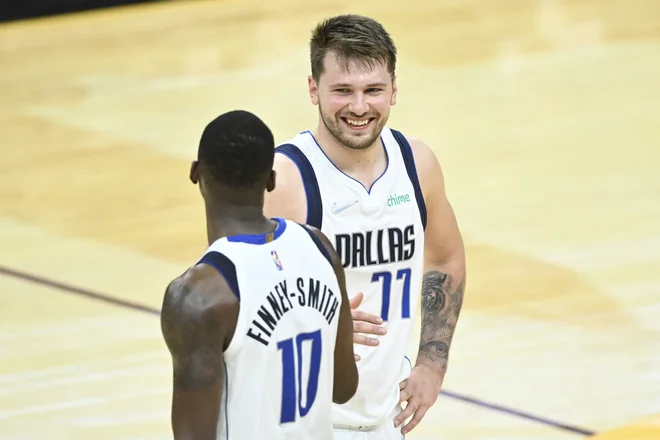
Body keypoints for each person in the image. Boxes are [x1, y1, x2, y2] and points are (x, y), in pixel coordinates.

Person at [263, 14, 467, 439]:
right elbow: (241, 303)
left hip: (385, 418)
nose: (359, 107)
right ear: (313, 88)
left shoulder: (418, 164)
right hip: (302, 421)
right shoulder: (284, 179)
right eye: (342, 91)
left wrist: (432, 361)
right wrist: (320, 320)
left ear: (394, 90)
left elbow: (445, 258)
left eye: (373, 90)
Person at [160, 110, 359, 440]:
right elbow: (344, 387)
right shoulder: (320, 248)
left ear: (196, 173)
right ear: (270, 179)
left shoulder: (200, 295)